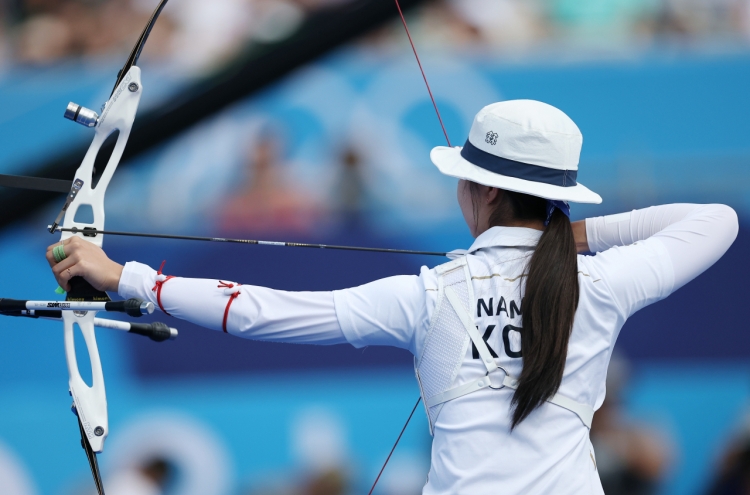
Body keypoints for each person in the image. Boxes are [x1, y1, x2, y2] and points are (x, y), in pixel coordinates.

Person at [47, 100, 738, 494]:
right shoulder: (604, 283)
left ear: (486, 190)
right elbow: (717, 219)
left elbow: (259, 309)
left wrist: (124, 277)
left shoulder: (431, 295)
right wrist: (568, 235)